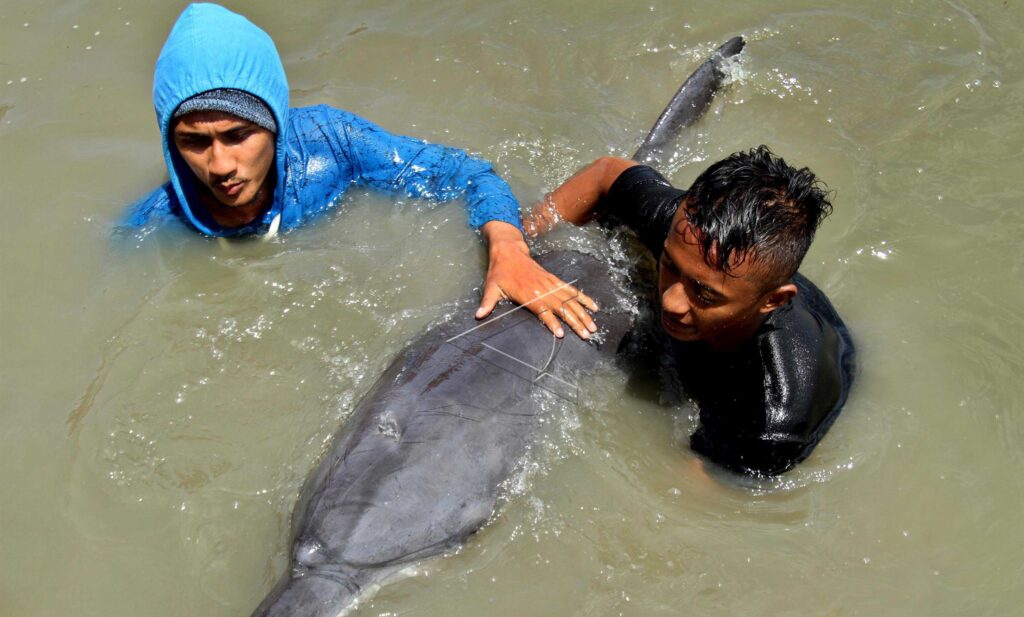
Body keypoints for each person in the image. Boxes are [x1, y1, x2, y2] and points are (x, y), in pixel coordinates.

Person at [125, 3, 596, 339]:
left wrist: (509, 250)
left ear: (275, 121)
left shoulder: (335, 144)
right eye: (194, 142)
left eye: (238, 135)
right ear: (171, 142)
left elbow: (470, 175)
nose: (220, 165)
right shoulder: (158, 223)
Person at [523, 148, 855, 477]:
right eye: (669, 265)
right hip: (740, 286)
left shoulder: (773, 420)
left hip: (782, 352)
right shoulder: (690, 239)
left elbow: (695, 491)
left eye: (704, 293)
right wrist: (520, 251)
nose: (672, 302)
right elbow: (605, 172)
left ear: (773, 300)